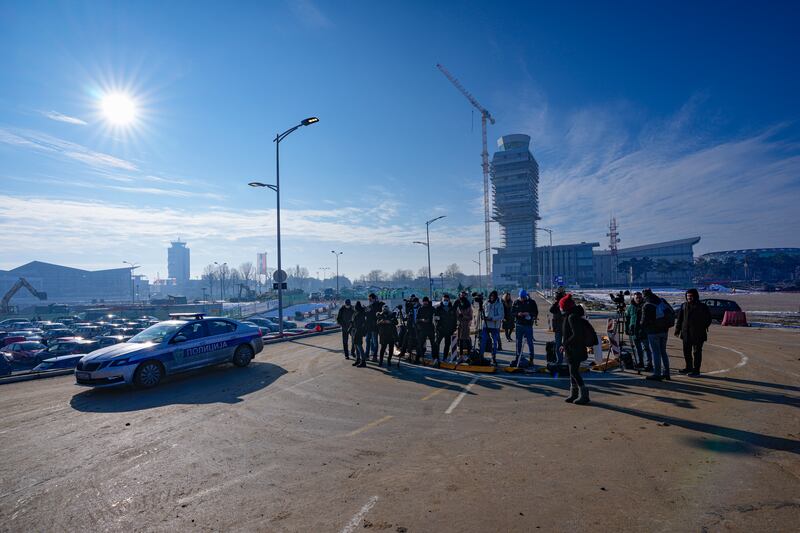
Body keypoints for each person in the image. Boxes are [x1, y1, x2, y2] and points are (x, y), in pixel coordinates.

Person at [559, 294, 590, 405]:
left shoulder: (572, 317)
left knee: (574, 371)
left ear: (565, 306)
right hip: (571, 348)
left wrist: (565, 344)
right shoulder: (570, 315)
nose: (560, 308)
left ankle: (584, 395)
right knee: (571, 371)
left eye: (561, 306)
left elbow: (576, 334)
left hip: (575, 349)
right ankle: (574, 394)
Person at [675, 288, 712, 376]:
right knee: (686, 351)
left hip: (698, 334)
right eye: (688, 296)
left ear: (695, 296)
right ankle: (688, 368)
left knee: (697, 352)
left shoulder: (702, 306)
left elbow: (708, 319)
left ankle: (696, 370)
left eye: (691, 296)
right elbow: (680, 319)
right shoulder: (684, 305)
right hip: (686, 334)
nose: (689, 298)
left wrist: (702, 326)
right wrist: (677, 329)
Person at [641, 289, 674, 381]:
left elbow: (644, 321)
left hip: (653, 332)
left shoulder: (647, 305)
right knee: (663, 352)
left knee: (656, 353)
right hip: (664, 331)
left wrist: (642, 328)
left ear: (645, 296)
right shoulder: (661, 300)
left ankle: (657, 374)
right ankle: (667, 373)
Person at [624, 292, 652, 371]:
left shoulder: (645, 306)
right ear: (634, 298)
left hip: (644, 331)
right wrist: (627, 329)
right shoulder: (630, 307)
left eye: (640, 297)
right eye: (637, 298)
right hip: (634, 331)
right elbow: (627, 319)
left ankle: (648, 364)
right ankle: (640, 362)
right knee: (637, 348)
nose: (638, 299)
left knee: (645, 348)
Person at [511, 289, 538, 367]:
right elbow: (512, 312)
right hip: (519, 325)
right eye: (521, 297)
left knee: (530, 342)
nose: (522, 299)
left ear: (526, 296)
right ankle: (519, 357)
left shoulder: (532, 302)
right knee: (518, 342)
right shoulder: (516, 302)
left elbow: (535, 313)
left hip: (528, 325)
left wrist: (529, 314)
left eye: (523, 297)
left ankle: (531, 358)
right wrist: (518, 314)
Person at [481, 290, 505, 366]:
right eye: (491, 296)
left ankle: (493, 357)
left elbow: (501, 316)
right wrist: (483, 317)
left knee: (495, 342)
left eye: (493, 297)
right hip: (485, 325)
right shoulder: (486, 302)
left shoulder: (499, 304)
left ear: (496, 297)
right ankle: (481, 356)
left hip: (495, 326)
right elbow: (482, 312)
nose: (491, 298)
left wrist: (492, 318)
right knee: (483, 341)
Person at [435, 293, 458, 361]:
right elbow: (436, 319)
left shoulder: (452, 309)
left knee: (447, 345)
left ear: (449, 300)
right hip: (440, 329)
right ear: (442, 300)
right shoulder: (438, 308)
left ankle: (445, 358)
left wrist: (454, 328)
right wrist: (437, 327)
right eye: (444, 300)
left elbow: (455, 319)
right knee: (437, 343)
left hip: (449, 330)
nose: (445, 301)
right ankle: (436, 357)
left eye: (447, 300)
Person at [415, 296, 437, 364]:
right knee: (420, 344)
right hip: (423, 329)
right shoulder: (420, 309)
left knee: (433, 344)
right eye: (424, 301)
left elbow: (436, 316)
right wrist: (422, 320)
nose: (425, 303)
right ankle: (418, 358)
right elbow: (417, 319)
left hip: (430, 329)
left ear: (428, 302)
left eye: (426, 301)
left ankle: (434, 357)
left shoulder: (432, 308)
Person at [399, 296, 419, 361]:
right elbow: (406, 315)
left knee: (414, 340)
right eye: (412, 302)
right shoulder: (410, 308)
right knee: (406, 339)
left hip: (417, 327)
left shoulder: (420, 308)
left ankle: (413, 354)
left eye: (414, 302)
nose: (413, 303)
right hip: (410, 326)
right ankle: (403, 352)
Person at [549, 287, 566, 365]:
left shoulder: (565, 301)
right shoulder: (556, 303)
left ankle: (564, 360)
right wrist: (557, 301)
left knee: (564, 344)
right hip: (559, 326)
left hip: (564, 326)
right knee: (558, 345)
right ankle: (559, 360)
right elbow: (551, 310)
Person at [365, 293, 382, 361]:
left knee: (374, 342)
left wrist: (369, 311)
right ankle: (367, 355)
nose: (369, 300)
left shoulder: (377, 305)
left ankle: (374, 356)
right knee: (368, 341)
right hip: (369, 326)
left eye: (370, 299)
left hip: (374, 327)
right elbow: (368, 315)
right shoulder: (370, 306)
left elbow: (376, 315)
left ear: (373, 298)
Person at [350, 301, 367, 367]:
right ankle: (358, 360)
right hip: (356, 330)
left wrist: (353, 323)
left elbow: (359, 323)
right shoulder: (358, 313)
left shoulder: (359, 314)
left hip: (358, 331)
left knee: (359, 346)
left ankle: (363, 361)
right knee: (356, 346)